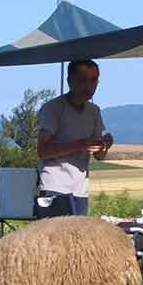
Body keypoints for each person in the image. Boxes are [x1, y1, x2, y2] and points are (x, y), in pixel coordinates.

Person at [34, 59, 113, 217]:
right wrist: (79, 145)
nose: (88, 86)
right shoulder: (54, 108)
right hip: (54, 188)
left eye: (93, 80)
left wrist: (104, 145)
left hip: (80, 191)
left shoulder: (94, 111)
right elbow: (43, 151)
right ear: (70, 81)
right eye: (82, 80)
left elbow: (99, 156)